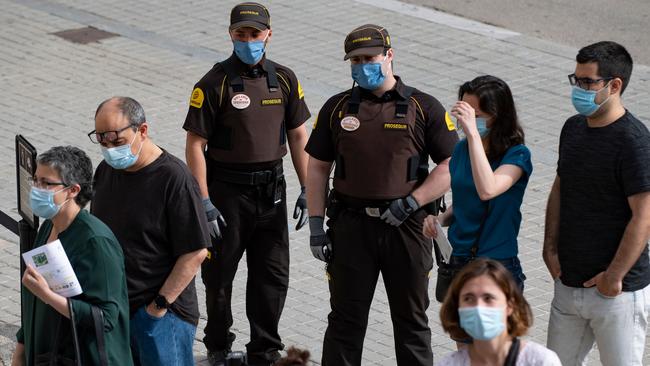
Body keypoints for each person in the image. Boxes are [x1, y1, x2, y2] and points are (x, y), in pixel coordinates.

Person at [305, 24, 458, 366]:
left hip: (407, 228)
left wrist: (413, 201)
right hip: (351, 227)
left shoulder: (423, 106)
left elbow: (452, 163)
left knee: (411, 323)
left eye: (369, 57)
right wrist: (316, 225)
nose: (362, 66)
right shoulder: (338, 107)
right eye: (355, 60)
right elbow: (317, 167)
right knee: (345, 321)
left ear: (389, 56)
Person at [182, 3, 311, 365]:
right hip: (227, 193)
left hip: (272, 192)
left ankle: (265, 350)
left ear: (269, 34)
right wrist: (203, 201)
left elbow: (299, 137)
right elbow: (195, 144)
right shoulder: (213, 82)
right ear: (231, 35)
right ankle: (219, 345)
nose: (249, 40)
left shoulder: (284, 78)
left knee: (272, 276)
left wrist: (308, 188)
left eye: (255, 34)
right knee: (219, 277)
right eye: (241, 34)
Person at [543, 41, 650, 365]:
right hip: (568, 283)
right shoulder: (573, 128)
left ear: (615, 85)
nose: (579, 89)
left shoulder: (634, 142)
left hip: (616, 293)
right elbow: (560, 187)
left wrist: (614, 277)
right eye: (576, 80)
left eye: (588, 82)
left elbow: (643, 217)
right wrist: (549, 249)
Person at [90, 97, 210, 365]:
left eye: (117, 141)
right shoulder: (106, 170)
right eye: (101, 140)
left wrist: (157, 308)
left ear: (142, 131)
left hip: (161, 318)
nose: (109, 149)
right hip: (117, 311)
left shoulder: (174, 179)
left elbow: (195, 252)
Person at [12, 146, 133, 365]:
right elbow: (33, 300)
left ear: (73, 190)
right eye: (36, 180)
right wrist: (20, 352)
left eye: (46, 183)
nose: (37, 189)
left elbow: (105, 318)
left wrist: (48, 295)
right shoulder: (49, 227)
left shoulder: (95, 242)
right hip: (47, 355)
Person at [423, 75, 532, 294]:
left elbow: (487, 190)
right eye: (465, 113)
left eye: (477, 115)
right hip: (459, 259)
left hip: (495, 263)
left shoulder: (517, 155)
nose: (467, 121)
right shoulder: (462, 149)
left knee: (490, 328)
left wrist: (473, 134)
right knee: (459, 328)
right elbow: (466, 200)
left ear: (498, 115)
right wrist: (440, 220)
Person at [437, 258, 561, 366]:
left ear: (509, 305)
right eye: (468, 298)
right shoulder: (448, 363)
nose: (479, 307)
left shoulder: (540, 361)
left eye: (488, 298)